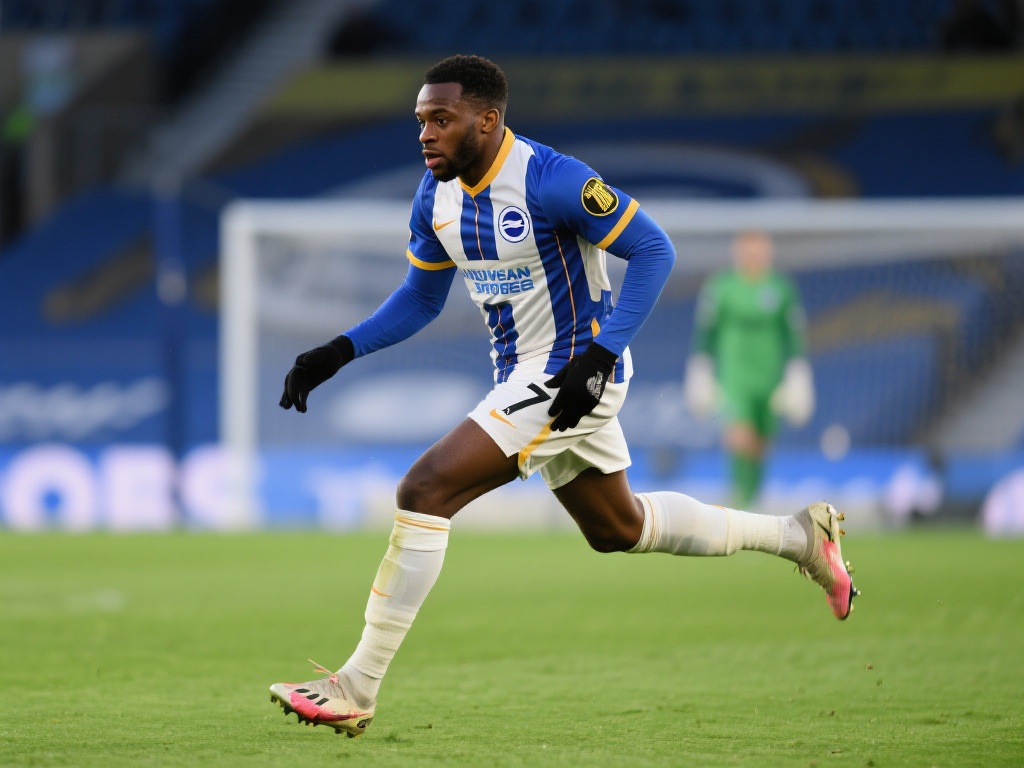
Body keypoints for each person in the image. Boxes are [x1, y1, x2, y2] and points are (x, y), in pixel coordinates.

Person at [269, 55, 857, 739]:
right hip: (523, 375)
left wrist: (600, 358)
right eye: (421, 120)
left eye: (441, 119)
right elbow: (421, 299)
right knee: (618, 529)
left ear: (486, 120)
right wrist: (338, 350)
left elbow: (655, 250)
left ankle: (356, 684)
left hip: (572, 374)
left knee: (424, 491)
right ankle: (797, 537)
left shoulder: (552, 180)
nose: (425, 134)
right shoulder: (436, 196)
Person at [684, 230, 815, 508]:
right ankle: (739, 496)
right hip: (734, 373)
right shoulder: (721, 287)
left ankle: (754, 496)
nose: (753, 255)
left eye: (759, 249)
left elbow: (793, 333)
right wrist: (700, 369)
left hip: (769, 374)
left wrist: (798, 373)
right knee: (738, 432)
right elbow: (705, 331)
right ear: (737, 252)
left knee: (761, 439)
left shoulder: (782, 288)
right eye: (748, 249)